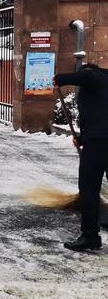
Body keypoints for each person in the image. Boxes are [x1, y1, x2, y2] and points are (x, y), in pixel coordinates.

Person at [54, 63, 108, 252]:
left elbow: (88, 78)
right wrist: (82, 138)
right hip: (97, 138)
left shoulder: (94, 76)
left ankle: (90, 236)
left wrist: (62, 78)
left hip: (100, 142)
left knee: (88, 188)